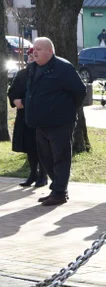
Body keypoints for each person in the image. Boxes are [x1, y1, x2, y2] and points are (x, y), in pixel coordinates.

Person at [24, 37, 86, 206]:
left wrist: (65, 109)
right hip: (40, 122)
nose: (34, 52)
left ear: (49, 51)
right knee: (46, 158)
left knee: (60, 157)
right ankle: (57, 188)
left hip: (60, 122)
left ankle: (59, 192)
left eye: (38, 49)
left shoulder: (63, 68)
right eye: (33, 49)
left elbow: (79, 92)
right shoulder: (34, 68)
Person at [8, 45, 46, 188]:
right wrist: (15, 100)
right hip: (24, 116)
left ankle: (43, 175)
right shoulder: (22, 74)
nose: (31, 59)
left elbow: (42, 95)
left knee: (41, 147)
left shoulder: (43, 73)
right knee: (30, 147)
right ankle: (33, 174)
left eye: (34, 56)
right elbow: (12, 92)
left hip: (39, 116)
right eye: (29, 57)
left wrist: (25, 102)